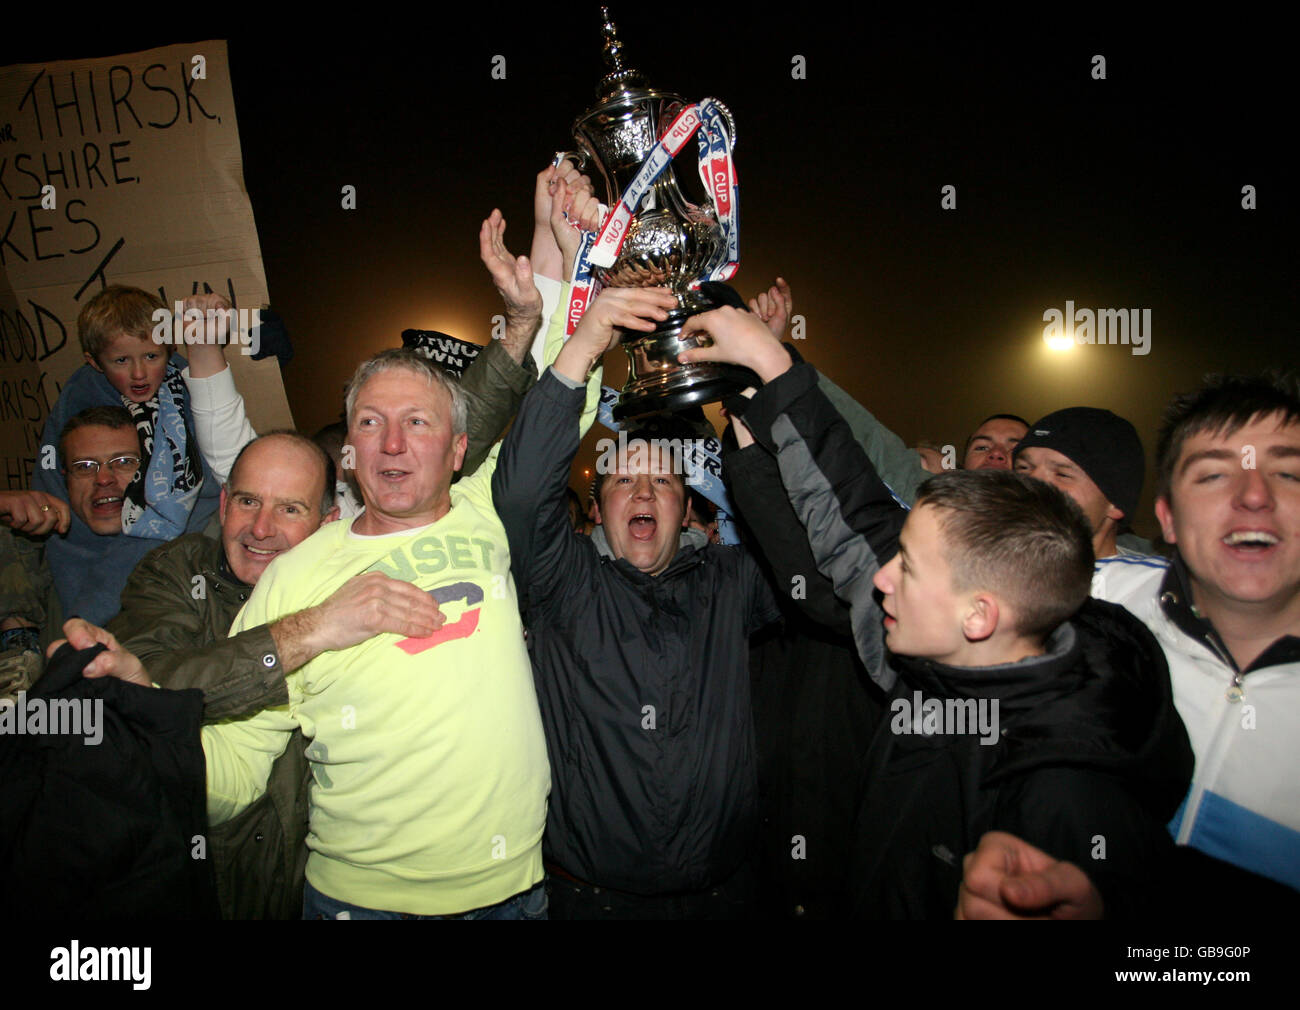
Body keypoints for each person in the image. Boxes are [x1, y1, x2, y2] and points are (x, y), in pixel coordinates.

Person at [678, 305, 1193, 917]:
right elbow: (855, 523)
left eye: (910, 567)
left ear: (980, 614)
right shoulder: (938, 670)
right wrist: (765, 372)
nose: (882, 578)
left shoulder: (1066, 787)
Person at [491, 282, 852, 920]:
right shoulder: (562, 580)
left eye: (662, 479)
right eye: (623, 479)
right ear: (598, 506)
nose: (642, 493)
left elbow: (810, 552)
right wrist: (587, 342)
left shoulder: (733, 580)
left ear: (687, 510)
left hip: (725, 893)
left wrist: (759, 374)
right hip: (590, 898)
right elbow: (520, 495)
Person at [960, 372, 1300, 915]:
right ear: (1168, 516)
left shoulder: (1121, 605)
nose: (1253, 496)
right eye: (1212, 475)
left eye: (1288, 472)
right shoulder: (1117, 646)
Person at [33, 288, 220, 624]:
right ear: (94, 361)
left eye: (151, 357)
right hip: (91, 532)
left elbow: (206, 481)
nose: (139, 374)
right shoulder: (78, 399)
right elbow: (53, 490)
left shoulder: (187, 390)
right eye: (121, 361)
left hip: (178, 521)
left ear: (170, 348)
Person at [1012, 406, 1149, 563]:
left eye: (1062, 475)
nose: (1030, 484)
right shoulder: (984, 574)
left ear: (1116, 504)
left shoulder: (1156, 584)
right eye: (1023, 469)